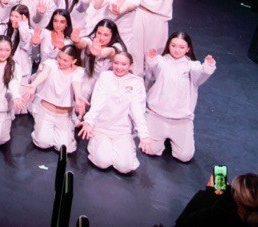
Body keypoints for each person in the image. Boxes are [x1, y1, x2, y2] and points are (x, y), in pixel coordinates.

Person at [141, 32, 216, 162]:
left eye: (182, 47)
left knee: (185, 156)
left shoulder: (193, 66)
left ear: (188, 49)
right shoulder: (162, 61)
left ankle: (172, 139)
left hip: (181, 119)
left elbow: (201, 75)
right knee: (150, 149)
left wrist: (208, 66)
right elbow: (154, 66)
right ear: (168, 45)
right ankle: (161, 137)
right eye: (173, 45)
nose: (176, 50)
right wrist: (152, 59)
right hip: (157, 115)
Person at [77, 51, 150, 174]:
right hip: (102, 128)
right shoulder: (105, 77)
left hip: (123, 131)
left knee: (125, 167)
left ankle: (122, 149)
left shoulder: (136, 82)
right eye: (116, 63)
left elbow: (137, 110)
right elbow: (98, 101)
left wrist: (144, 134)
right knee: (103, 162)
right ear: (112, 63)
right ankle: (98, 144)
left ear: (130, 66)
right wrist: (89, 121)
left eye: (123, 64)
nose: (119, 67)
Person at [24, 45, 86, 153]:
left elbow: (76, 82)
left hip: (64, 115)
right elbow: (44, 74)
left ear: (74, 61)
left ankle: (63, 129)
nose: (60, 61)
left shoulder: (79, 71)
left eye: (65, 60)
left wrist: (78, 95)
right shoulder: (51, 64)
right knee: (42, 142)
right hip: (46, 111)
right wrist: (34, 85)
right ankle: (40, 121)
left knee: (65, 148)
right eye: (59, 57)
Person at [176, 173, 258, 226]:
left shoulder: (219, 212)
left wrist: (209, 194)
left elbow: (181, 223)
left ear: (238, 200)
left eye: (234, 190)